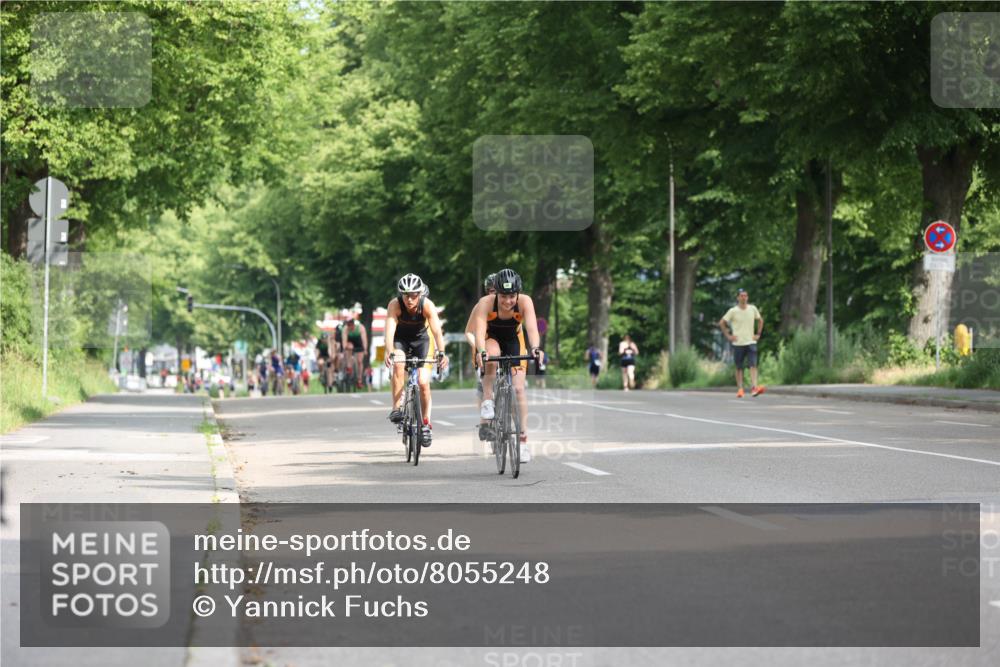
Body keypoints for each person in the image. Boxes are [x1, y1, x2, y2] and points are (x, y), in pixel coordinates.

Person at [471, 268, 543, 463]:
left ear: (518, 293)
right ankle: (488, 400)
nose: (508, 301)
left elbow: (532, 329)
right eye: (503, 296)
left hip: (513, 340)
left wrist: (535, 348)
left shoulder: (525, 302)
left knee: (519, 390)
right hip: (491, 337)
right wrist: (481, 351)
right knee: (492, 355)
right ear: (497, 293)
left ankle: (522, 440)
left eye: (512, 296)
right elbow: (478, 331)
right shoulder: (485, 303)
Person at [384, 274, 449, 446]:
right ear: (401, 295)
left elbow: (436, 331)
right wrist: (388, 351)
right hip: (401, 340)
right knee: (398, 362)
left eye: (414, 295)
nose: (410, 299)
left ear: (420, 294)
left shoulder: (427, 305)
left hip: (421, 341)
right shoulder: (395, 305)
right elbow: (389, 331)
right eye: (406, 295)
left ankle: (425, 423)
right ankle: (397, 408)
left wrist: (441, 352)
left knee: (423, 381)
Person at [719, 288, 766, 397]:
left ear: (747, 297)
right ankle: (740, 389)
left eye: (745, 296)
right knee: (739, 367)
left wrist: (758, 334)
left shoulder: (752, 309)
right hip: (738, 343)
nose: (744, 298)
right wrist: (728, 336)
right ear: (738, 298)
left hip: (751, 342)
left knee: (753, 365)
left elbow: (760, 320)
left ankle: (754, 387)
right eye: (741, 296)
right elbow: (722, 322)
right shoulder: (733, 311)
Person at [466, 273, 497, 409]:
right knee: (484, 384)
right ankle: (485, 419)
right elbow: (468, 332)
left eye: (498, 290)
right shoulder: (481, 306)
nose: (495, 294)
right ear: (487, 291)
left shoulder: (509, 304)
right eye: (492, 291)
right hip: (483, 346)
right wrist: (478, 347)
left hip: (500, 345)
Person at [341, 315, 368, 389]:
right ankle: (349, 366)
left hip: (359, 344)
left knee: (359, 361)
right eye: (348, 324)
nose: (349, 326)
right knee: (349, 347)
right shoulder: (345, 329)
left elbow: (364, 340)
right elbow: (344, 342)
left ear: (353, 323)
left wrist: (365, 349)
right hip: (350, 343)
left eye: (350, 324)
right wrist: (345, 347)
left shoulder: (360, 327)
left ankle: (359, 379)